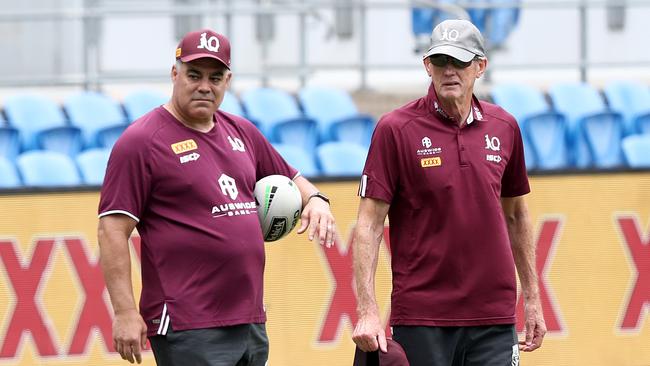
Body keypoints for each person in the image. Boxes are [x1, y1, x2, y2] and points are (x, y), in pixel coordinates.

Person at [97, 28, 337, 365]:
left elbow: (293, 177)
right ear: (174, 74)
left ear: (228, 80)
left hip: (249, 318)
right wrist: (124, 311)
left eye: (216, 77)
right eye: (194, 75)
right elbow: (112, 230)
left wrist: (315, 200)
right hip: (188, 323)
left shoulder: (241, 131)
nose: (205, 86)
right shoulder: (142, 141)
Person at [351, 19, 546, 366]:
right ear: (427, 65)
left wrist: (532, 298)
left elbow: (517, 215)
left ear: (480, 66)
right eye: (440, 61)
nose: (449, 71)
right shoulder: (395, 129)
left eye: (459, 61)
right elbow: (368, 224)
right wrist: (367, 310)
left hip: (495, 318)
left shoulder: (505, 127)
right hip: (423, 317)